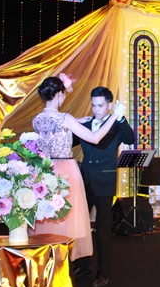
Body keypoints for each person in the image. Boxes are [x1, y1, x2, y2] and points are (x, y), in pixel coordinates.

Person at [29, 76, 122, 263]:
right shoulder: (65, 118)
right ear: (58, 94)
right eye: (63, 94)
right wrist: (114, 116)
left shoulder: (37, 119)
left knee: (47, 218)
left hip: (44, 172)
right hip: (65, 171)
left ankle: (47, 260)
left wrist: (77, 121)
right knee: (67, 219)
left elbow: (52, 132)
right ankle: (64, 260)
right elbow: (94, 138)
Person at [73, 86, 135, 287]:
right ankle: (82, 265)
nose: (96, 109)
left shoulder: (116, 124)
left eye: (100, 105)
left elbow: (130, 139)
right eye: (93, 105)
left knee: (103, 229)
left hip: (105, 181)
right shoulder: (86, 124)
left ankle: (103, 272)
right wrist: (72, 123)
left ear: (109, 105)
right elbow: (68, 142)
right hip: (84, 180)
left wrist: (121, 118)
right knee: (80, 226)